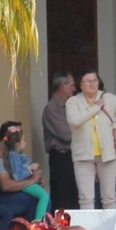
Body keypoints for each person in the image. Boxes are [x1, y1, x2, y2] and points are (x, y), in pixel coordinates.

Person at [66, 70, 116, 210]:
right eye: (88, 81)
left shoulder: (109, 99)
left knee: (109, 198)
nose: (92, 84)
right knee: (86, 199)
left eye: (95, 80)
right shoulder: (73, 101)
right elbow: (74, 120)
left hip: (107, 155)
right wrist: (95, 108)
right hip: (83, 157)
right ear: (80, 85)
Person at [0, 120, 51, 230]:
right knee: (36, 199)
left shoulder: (19, 156)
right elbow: (7, 185)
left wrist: (36, 179)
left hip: (13, 193)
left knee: (42, 198)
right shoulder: (0, 156)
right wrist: (32, 179)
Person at [41, 71, 77, 212]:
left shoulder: (70, 106)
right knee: (63, 200)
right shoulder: (52, 108)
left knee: (74, 199)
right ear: (62, 85)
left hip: (72, 157)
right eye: (72, 85)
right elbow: (66, 134)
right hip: (61, 158)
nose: (74, 89)